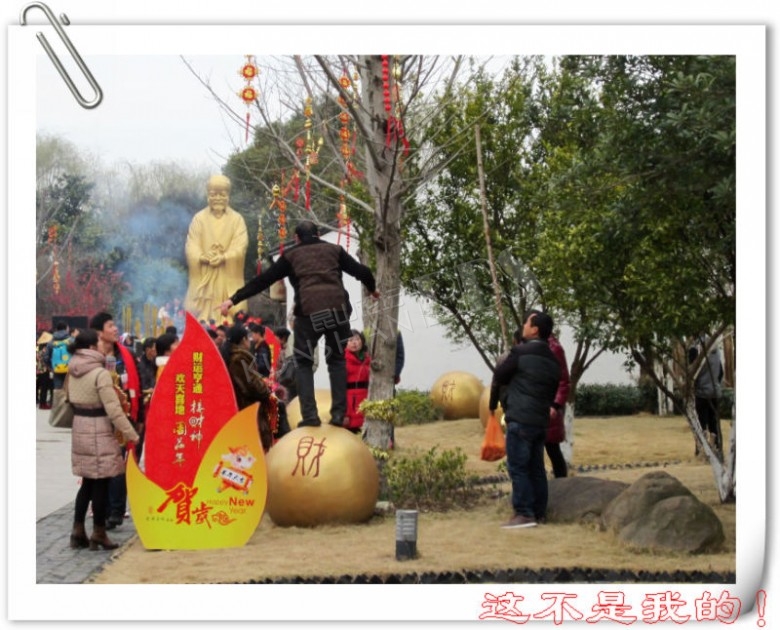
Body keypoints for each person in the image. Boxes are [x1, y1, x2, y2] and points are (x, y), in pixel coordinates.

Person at [219, 220, 379, 428]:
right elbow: (362, 271)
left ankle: (310, 416)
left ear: (296, 238)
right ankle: (339, 415)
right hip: (338, 312)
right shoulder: (335, 250)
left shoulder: (291, 255)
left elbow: (263, 280)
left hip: (309, 314)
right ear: (318, 234)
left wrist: (233, 299)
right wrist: (372, 289)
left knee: (303, 363)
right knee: (337, 360)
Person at [66, 328, 139, 550]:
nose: (101, 345)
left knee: (87, 482)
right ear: (91, 347)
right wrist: (131, 434)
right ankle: (99, 532)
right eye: (98, 342)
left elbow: (67, 399)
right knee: (101, 481)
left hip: (80, 425)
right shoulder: (100, 373)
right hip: (99, 428)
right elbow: (114, 410)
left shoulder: (72, 369)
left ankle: (78, 530)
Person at [489, 311, 561, 529]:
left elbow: (500, 375)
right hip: (540, 421)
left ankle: (523, 513)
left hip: (520, 417)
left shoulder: (520, 352)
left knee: (518, 467)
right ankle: (539, 513)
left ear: (535, 330)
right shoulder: (552, 359)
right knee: (536, 468)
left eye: (527, 323)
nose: (524, 326)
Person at [90, 311, 144, 530]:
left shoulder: (126, 354)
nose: (115, 329)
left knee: (120, 463)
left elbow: (138, 383)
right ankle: (101, 510)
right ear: (99, 332)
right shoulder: (90, 356)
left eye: (114, 325)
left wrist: (138, 417)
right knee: (101, 466)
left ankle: (116, 511)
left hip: (123, 416)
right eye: (110, 326)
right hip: (97, 417)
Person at [184, 175, 249, 323]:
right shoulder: (199, 219)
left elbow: (241, 246)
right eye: (214, 194)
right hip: (205, 272)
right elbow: (191, 245)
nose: (218, 198)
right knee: (201, 304)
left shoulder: (237, 219)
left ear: (228, 196)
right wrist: (202, 257)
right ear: (208, 196)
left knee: (231, 304)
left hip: (227, 274)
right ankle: (204, 317)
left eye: (222, 194)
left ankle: (226, 319)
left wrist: (224, 257)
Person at [220, 325, 275, 451]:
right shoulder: (240, 359)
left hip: (238, 408)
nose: (250, 340)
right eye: (248, 337)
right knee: (252, 447)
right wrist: (266, 389)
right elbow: (252, 386)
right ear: (243, 339)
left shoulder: (228, 355)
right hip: (248, 408)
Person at [688, 335, 724, 457]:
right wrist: (715, 384)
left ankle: (701, 451)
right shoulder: (716, 350)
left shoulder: (695, 349)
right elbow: (721, 372)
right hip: (715, 392)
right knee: (714, 423)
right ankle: (716, 449)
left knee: (701, 424)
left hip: (701, 393)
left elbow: (692, 372)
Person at [344, 329, 371, 433]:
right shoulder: (343, 361)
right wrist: (345, 413)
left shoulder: (368, 359)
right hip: (351, 404)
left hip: (367, 400)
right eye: (350, 340)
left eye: (357, 339)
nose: (354, 343)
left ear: (362, 341)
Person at [36, 331, 54, 409]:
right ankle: (43, 404)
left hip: (39, 370)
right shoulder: (45, 349)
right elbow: (47, 360)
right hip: (45, 370)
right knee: (44, 388)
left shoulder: (38, 349)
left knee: (43, 387)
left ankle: (42, 403)